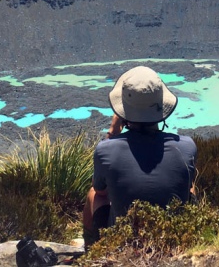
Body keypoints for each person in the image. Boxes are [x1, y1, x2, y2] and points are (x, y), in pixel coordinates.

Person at [82, 65, 197, 248]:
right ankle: (190, 239)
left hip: (123, 241)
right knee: (190, 189)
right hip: (172, 240)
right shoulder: (187, 146)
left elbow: (102, 192)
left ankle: (91, 248)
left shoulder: (105, 150)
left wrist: (113, 131)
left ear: (123, 112)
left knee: (94, 194)